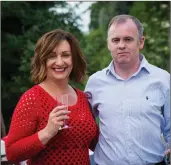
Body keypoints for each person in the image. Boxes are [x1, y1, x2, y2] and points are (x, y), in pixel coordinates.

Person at [85, 15, 170, 165]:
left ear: (141, 42)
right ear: (108, 44)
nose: (121, 45)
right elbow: (84, 127)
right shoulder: (95, 83)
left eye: (128, 39)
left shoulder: (163, 79)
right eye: (115, 40)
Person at [5, 29, 98, 165]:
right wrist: (47, 132)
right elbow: (12, 153)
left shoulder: (83, 98)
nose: (59, 62)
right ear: (43, 60)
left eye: (65, 55)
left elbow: (95, 143)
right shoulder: (32, 98)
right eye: (52, 56)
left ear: (74, 59)